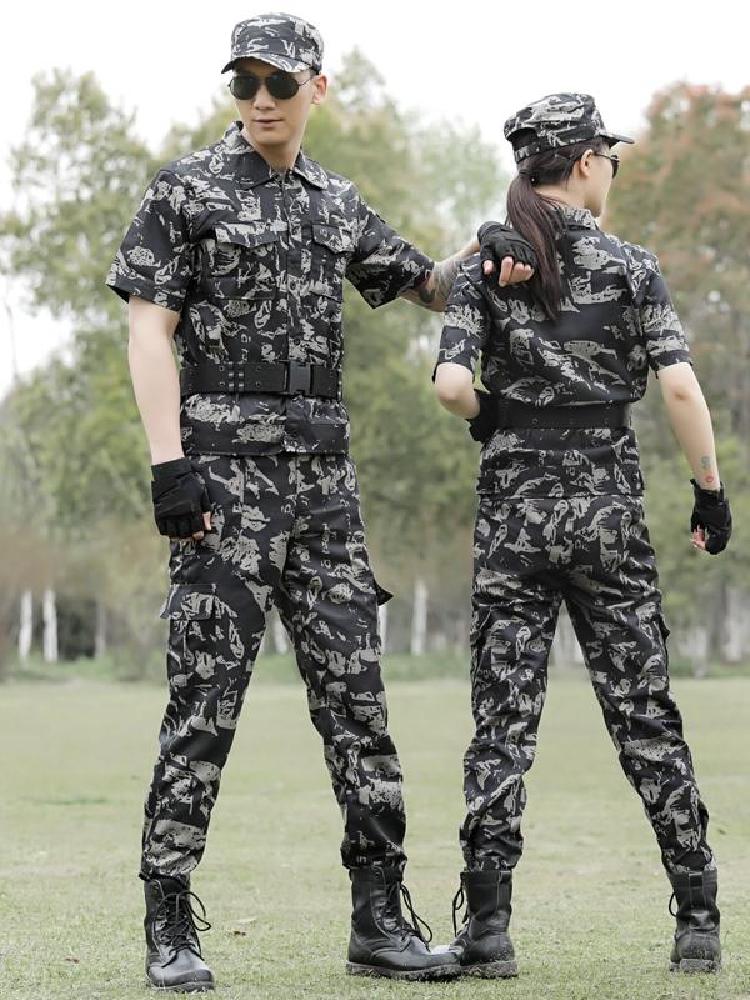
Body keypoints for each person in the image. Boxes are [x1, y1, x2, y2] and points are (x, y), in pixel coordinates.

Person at [106, 12, 536, 991]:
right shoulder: (187, 190)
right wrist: (169, 465)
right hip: (222, 483)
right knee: (204, 704)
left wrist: (492, 249)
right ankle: (168, 924)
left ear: (317, 89)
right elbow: (147, 327)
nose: (261, 99)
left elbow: (428, 284)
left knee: (358, 706)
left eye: (280, 82)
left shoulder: (335, 202)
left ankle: (379, 920)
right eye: (245, 82)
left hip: (325, 490)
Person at [433, 93, 732, 980]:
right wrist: (709, 492)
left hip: (514, 519)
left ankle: (489, 930)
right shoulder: (632, 267)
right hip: (607, 518)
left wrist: (493, 415)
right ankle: (697, 916)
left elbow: (449, 386)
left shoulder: (492, 265)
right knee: (644, 714)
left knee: (502, 723)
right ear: (588, 163)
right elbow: (679, 388)